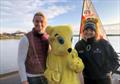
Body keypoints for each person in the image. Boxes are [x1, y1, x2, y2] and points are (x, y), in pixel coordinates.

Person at [75, 18, 119, 84]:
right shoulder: (79, 45)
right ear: (83, 31)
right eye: (86, 29)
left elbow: (115, 59)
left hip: (103, 79)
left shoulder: (103, 43)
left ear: (95, 32)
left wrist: (109, 70)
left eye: (91, 30)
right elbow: (74, 60)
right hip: (87, 79)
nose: (88, 32)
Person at [18, 12, 49, 84]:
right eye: (37, 21)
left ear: (45, 23)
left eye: (42, 21)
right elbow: (20, 61)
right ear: (33, 22)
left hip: (47, 75)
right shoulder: (25, 38)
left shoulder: (48, 37)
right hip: (32, 77)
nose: (39, 24)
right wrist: (24, 80)